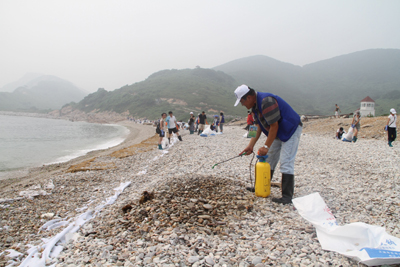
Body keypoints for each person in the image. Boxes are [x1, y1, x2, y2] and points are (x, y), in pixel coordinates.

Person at [235, 85, 302, 204]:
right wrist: (250, 145)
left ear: (249, 97)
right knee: (269, 159)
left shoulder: (266, 102)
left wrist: (266, 146)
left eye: (242, 101)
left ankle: (287, 197)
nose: (242, 105)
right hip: (277, 131)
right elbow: (257, 126)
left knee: (286, 161)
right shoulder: (255, 107)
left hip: (290, 128)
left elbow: (274, 126)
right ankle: (261, 186)